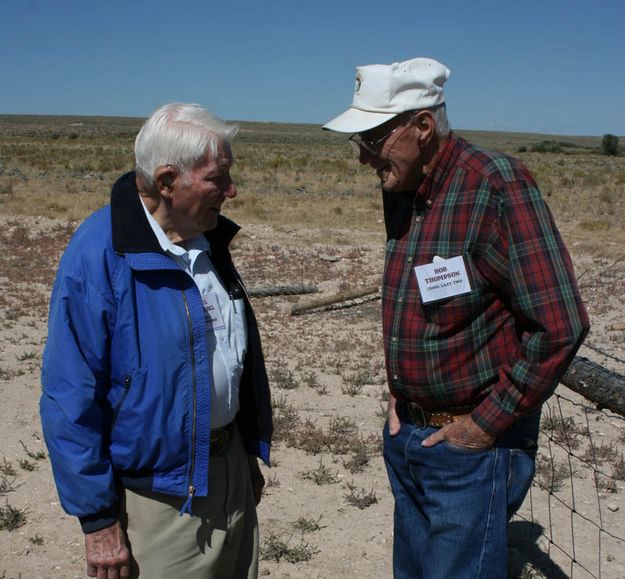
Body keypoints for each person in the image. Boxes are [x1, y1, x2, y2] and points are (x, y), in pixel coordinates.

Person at [323, 57, 590, 578]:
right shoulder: (403, 189)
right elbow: (424, 309)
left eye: (372, 140)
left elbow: (560, 323)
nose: (362, 159)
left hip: (468, 453)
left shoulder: (496, 185)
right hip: (410, 437)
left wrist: (483, 427)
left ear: (422, 127)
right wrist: (403, 399)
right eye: (357, 143)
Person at [40, 103, 272, 579]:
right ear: (167, 181)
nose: (232, 190)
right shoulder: (99, 254)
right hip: (159, 501)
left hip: (228, 475)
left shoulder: (206, 240)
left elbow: (229, 358)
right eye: (218, 178)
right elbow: (70, 395)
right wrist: (99, 520)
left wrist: (243, 453)